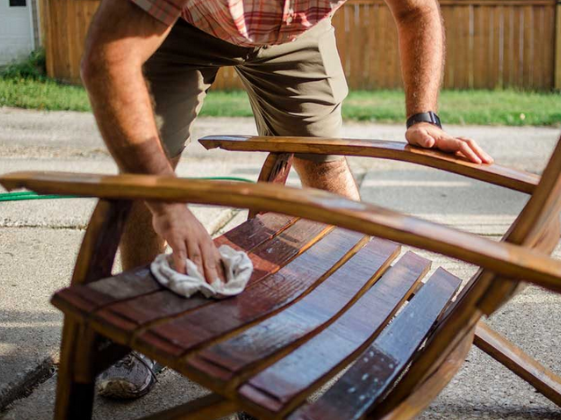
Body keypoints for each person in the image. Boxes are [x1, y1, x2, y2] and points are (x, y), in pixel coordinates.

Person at [81, 0, 494, 401]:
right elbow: (108, 59)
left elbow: (416, 9)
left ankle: (360, 313)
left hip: (295, 33)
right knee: (149, 166)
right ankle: (141, 335)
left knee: (324, 161)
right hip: (180, 24)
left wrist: (423, 116)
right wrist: (166, 204)